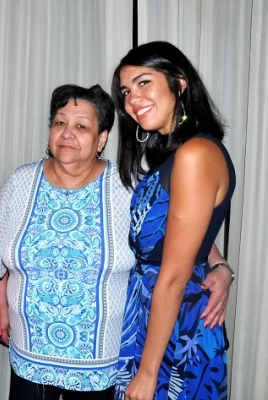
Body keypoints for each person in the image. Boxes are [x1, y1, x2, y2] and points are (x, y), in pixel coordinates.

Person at [0, 83, 233, 400]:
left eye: (81, 126)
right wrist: (0, 306)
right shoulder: (20, 182)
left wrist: (221, 266)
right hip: (29, 353)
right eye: (59, 122)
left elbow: (178, 234)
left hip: (102, 361)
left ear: (102, 138)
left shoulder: (130, 185)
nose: (67, 133)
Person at [111, 41, 236, 400]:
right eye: (126, 91)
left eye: (144, 82)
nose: (133, 99)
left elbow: (175, 274)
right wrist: (221, 265)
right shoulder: (177, 153)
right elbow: (182, 232)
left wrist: (149, 373)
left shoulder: (196, 153)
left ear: (179, 84)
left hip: (176, 329)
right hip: (152, 318)